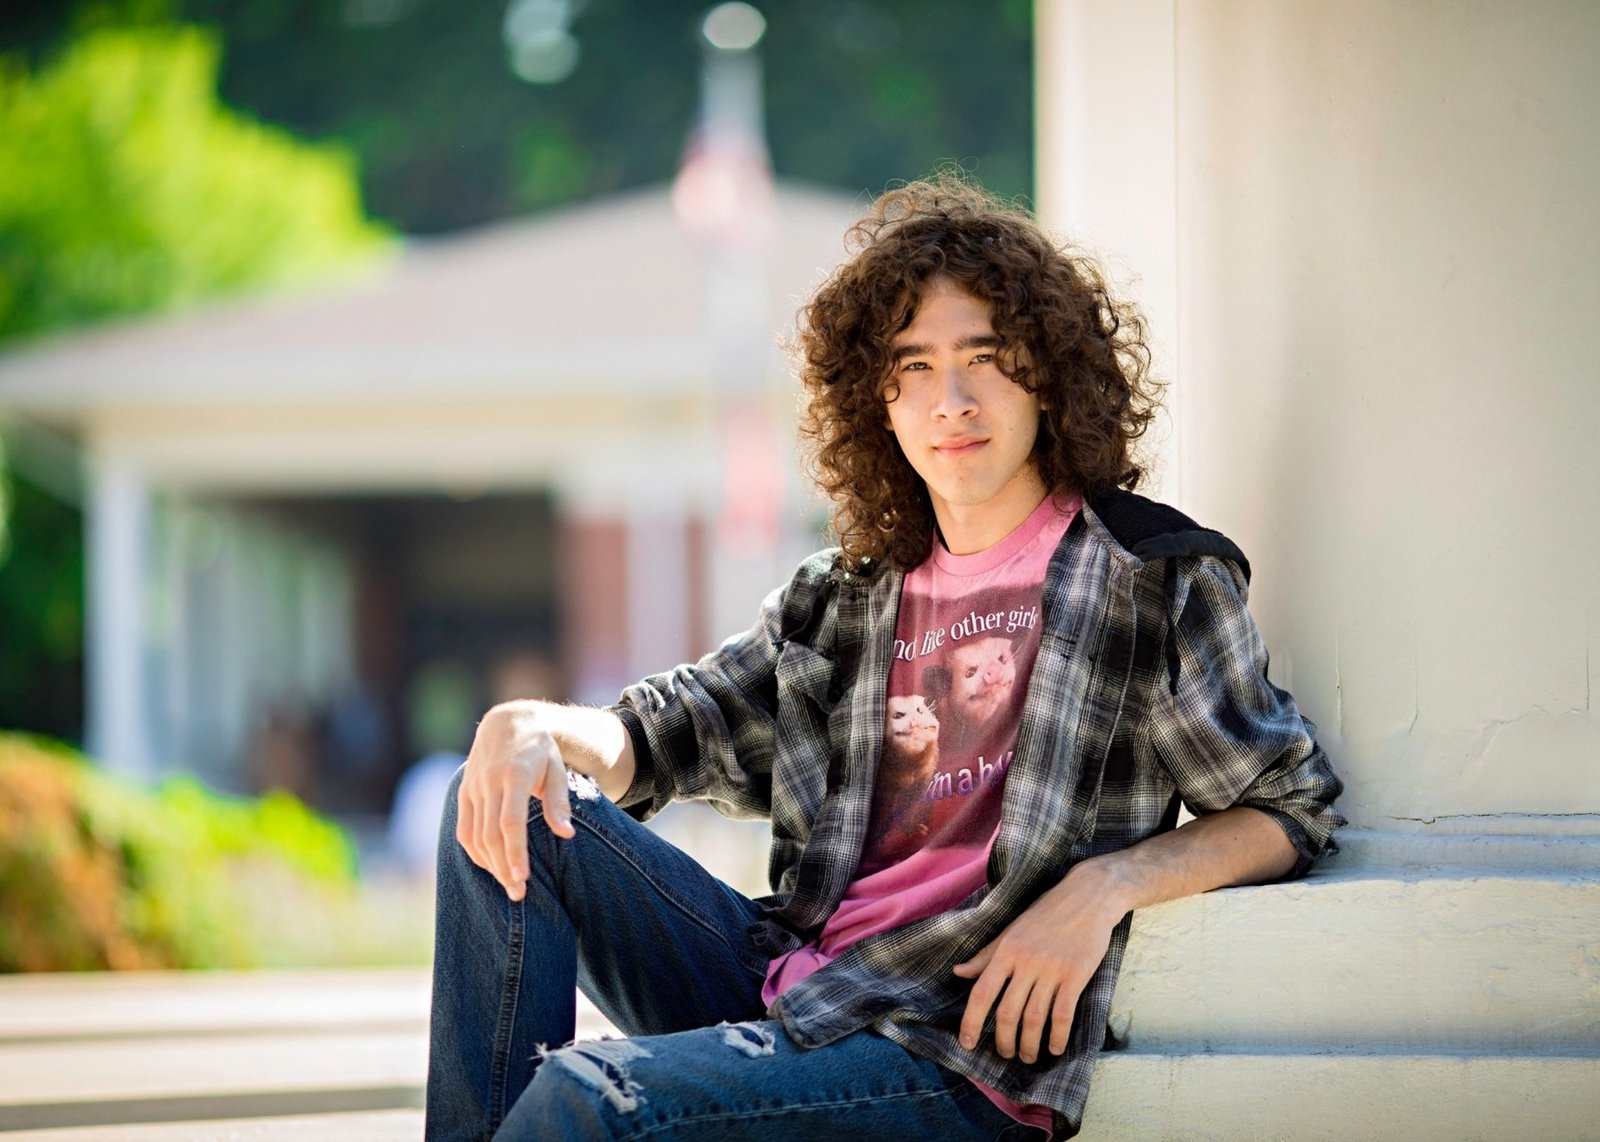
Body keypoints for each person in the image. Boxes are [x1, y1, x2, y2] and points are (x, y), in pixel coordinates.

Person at [426, 176, 1344, 1141]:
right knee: (501, 795)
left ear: (1047, 373)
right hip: (792, 988)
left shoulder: (1151, 579)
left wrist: (1104, 887)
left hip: (949, 1045)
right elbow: (669, 734)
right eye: (912, 367)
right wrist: (531, 725)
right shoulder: (848, 594)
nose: (951, 401)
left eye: (985, 358)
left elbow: (1288, 806)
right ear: (880, 401)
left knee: (586, 1100)